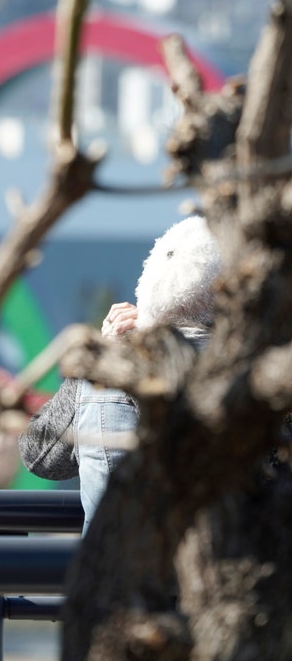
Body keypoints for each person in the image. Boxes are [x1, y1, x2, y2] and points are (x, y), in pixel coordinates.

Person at [19, 215, 221, 534]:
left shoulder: (122, 366)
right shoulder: (261, 369)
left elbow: (40, 457)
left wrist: (102, 359)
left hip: (115, 571)